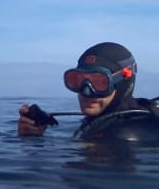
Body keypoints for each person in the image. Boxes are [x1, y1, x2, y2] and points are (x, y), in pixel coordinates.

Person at [18, 42, 158, 142]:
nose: (86, 92)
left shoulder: (125, 135)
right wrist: (32, 137)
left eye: (100, 82)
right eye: (77, 81)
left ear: (123, 82)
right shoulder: (105, 121)